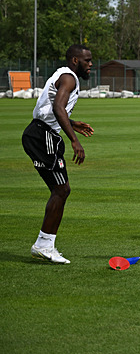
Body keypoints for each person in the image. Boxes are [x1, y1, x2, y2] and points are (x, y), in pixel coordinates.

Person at [23, 45, 94, 264]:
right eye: (87, 60)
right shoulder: (69, 78)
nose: (91, 64)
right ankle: (44, 245)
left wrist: (73, 123)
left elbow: (49, 109)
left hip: (39, 133)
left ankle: (45, 244)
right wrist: (74, 140)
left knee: (60, 189)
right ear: (75, 60)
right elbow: (57, 108)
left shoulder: (63, 74)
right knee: (61, 189)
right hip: (43, 136)